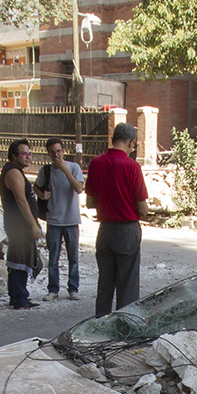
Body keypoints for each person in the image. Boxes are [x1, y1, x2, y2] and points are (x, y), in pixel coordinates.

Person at [84, 123, 148, 317]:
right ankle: (124, 326)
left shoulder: (96, 162)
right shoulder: (132, 166)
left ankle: (100, 323)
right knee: (127, 283)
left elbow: (90, 202)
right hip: (127, 230)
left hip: (105, 230)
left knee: (105, 283)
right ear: (131, 143)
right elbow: (143, 209)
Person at [34, 137, 85, 302]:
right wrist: (41, 194)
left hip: (71, 219)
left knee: (73, 258)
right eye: (52, 152)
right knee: (53, 258)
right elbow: (36, 185)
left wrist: (65, 170)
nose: (56, 155)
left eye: (58, 151)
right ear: (48, 154)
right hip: (54, 220)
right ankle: (53, 289)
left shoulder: (74, 167)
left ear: (63, 151)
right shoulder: (46, 171)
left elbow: (79, 188)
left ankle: (73, 289)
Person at [0, 138, 44, 310]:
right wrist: (33, 225)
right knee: (21, 259)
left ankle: (17, 295)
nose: (28, 157)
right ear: (13, 155)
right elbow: (21, 200)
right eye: (23, 154)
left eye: (29, 153)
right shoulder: (13, 172)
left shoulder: (14, 171)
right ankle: (19, 297)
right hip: (19, 225)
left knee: (20, 258)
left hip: (18, 224)